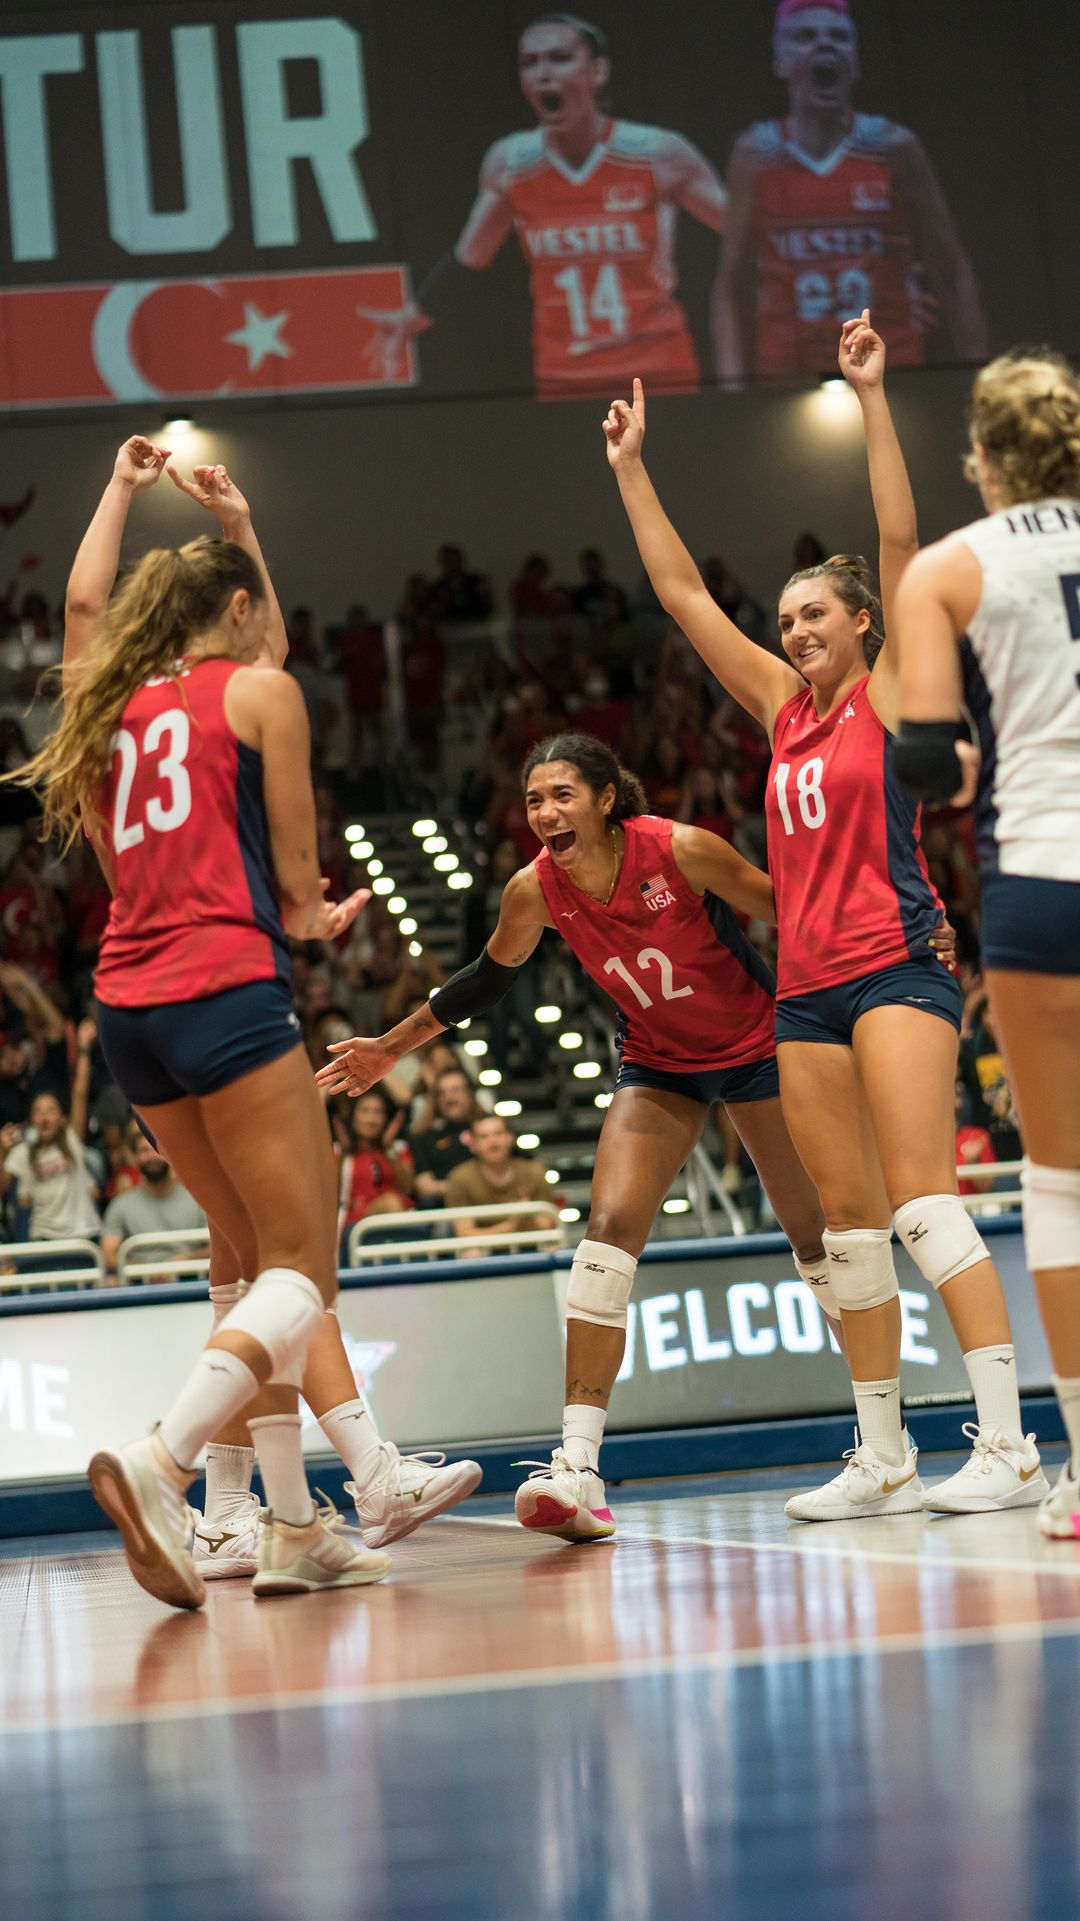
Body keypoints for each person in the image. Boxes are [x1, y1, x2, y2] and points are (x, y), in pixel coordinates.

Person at [604, 314, 1046, 1521]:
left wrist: (871, 395)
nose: (795, 628)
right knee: (846, 1230)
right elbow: (682, 593)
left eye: (816, 615)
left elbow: (900, 538)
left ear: (862, 623)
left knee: (923, 1201)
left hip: (896, 963)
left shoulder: (892, 686)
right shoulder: (778, 706)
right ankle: (884, 1453)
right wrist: (632, 468)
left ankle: (1010, 1444)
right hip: (803, 988)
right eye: (788, 616)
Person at [3, 435, 386, 1610]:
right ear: (237, 608)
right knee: (302, 1268)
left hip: (126, 1009)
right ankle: (162, 1461)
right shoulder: (262, 692)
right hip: (225, 987)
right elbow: (302, 889)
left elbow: (80, 606)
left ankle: (290, 1523)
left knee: (257, 1268)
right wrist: (319, 917)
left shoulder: (103, 707)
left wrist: (119, 488)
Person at [319, 730, 840, 1543]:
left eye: (562, 794)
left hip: (758, 1046)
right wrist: (391, 1046)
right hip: (660, 1059)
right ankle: (579, 1468)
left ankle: (884, 1438)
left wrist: (902, 942)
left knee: (813, 1234)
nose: (546, 812)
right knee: (606, 1230)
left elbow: (793, 909)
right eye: (534, 799)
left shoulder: (682, 849)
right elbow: (484, 981)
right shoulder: (534, 889)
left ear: (604, 798)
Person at [893, 349, 1080, 1539]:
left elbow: (925, 760)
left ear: (982, 458)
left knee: (1061, 1182)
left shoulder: (950, 567)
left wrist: (962, 764)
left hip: (1046, 878)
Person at [362, 13, 727, 398]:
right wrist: (412, 315)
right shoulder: (511, 163)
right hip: (564, 377)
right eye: (529, 63)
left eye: (559, 58)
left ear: (598, 71)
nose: (543, 74)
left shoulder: (656, 153)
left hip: (657, 372)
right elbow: (470, 258)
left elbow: (745, 233)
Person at [713, 0, 988, 384]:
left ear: (855, 62)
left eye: (838, 36)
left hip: (892, 368)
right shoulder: (757, 155)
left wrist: (981, 377)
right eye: (806, 36)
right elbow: (734, 287)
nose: (824, 44)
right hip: (789, 375)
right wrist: (731, 390)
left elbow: (950, 270)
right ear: (781, 63)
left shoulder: (892, 147)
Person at [100, 1123, 206, 1281]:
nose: (151, 1156)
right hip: (140, 1282)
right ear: (135, 1158)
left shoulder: (198, 1199)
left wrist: (184, 1260)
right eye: (144, 1151)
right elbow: (108, 1255)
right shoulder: (120, 1205)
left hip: (192, 1278)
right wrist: (147, 1270)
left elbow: (218, 1247)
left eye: (156, 1150)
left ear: (169, 1154)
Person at [445, 1115, 554, 1253]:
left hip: (530, 1245)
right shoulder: (459, 1178)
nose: (493, 1142)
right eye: (484, 1137)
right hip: (483, 1250)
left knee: (551, 1248)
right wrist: (510, 1227)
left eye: (498, 1134)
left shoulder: (534, 1171)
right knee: (471, 1253)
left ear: (510, 1138)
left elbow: (547, 1225)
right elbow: (464, 1232)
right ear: (473, 1144)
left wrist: (527, 1218)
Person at [409, 1065, 486, 1206]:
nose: (449, 1098)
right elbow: (424, 1187)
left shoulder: (490, 1129)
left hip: (494, 1204)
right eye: (442, 1093)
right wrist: (468, 1189)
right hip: (446, 1210)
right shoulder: (424, 1139)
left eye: (455, 1090)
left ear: (470, 1094)